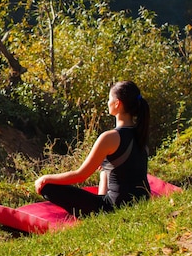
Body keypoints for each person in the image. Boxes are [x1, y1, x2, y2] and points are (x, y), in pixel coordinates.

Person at [34, 80, 151, 216]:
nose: (108, 103)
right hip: (141, 201)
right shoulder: (140, 133)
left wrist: (46, 178)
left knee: (48, 188)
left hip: (115, 207)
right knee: (104, 173)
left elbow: (80, 175)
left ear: (117, 103)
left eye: (109, 99)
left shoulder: (110, 137)